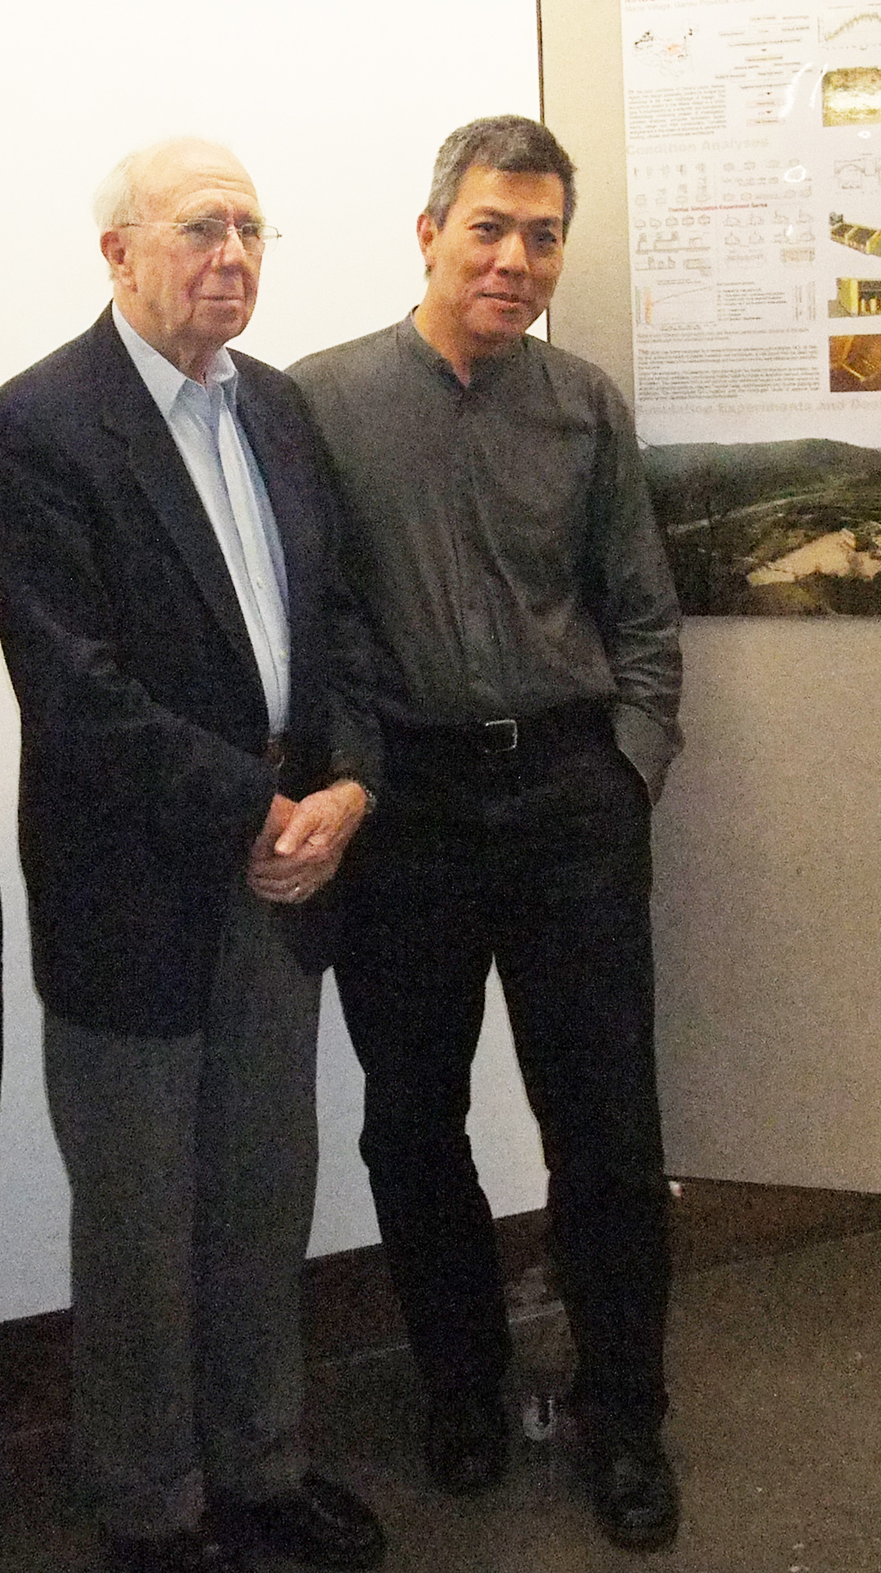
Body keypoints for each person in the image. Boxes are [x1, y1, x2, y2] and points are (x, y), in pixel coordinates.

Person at [0, 138, 385, 1573]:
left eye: (256, 230)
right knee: (142, 1221)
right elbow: (72, 687)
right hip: (138, 885)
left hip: (286, 877)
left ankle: (262, 1467)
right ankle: (151, 1509)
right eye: (202, 227)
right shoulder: (38, 425)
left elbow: (335, 632)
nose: (235, 256)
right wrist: (250, 811)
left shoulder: (278, 409)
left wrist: (345, 793)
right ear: (117, 251)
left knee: (267, 1190)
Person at [289, 114, 686, 1554]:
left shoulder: (584, 406)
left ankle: (625, 1416)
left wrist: (630, 767)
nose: (515, 261)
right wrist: (347, 774)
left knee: (610, 1130)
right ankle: (460, 1387)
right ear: (429, 233)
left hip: (573, 803)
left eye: (542, 236)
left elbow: (642, 612)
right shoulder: (318, 403)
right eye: (490, 230)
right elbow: (311, 623)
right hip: (410, 812)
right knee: (414, 1120)